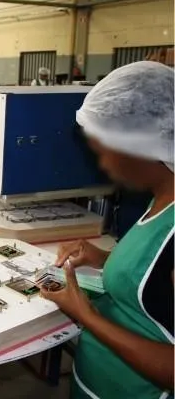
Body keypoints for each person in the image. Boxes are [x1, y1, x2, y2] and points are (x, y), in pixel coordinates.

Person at [43, 61, 173, 399]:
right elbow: (155, 281)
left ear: (142, 148)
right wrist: (103, 258)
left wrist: (85, 314)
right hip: (95, 383)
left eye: (104, 153)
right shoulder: (161, 199)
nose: (103, 165)